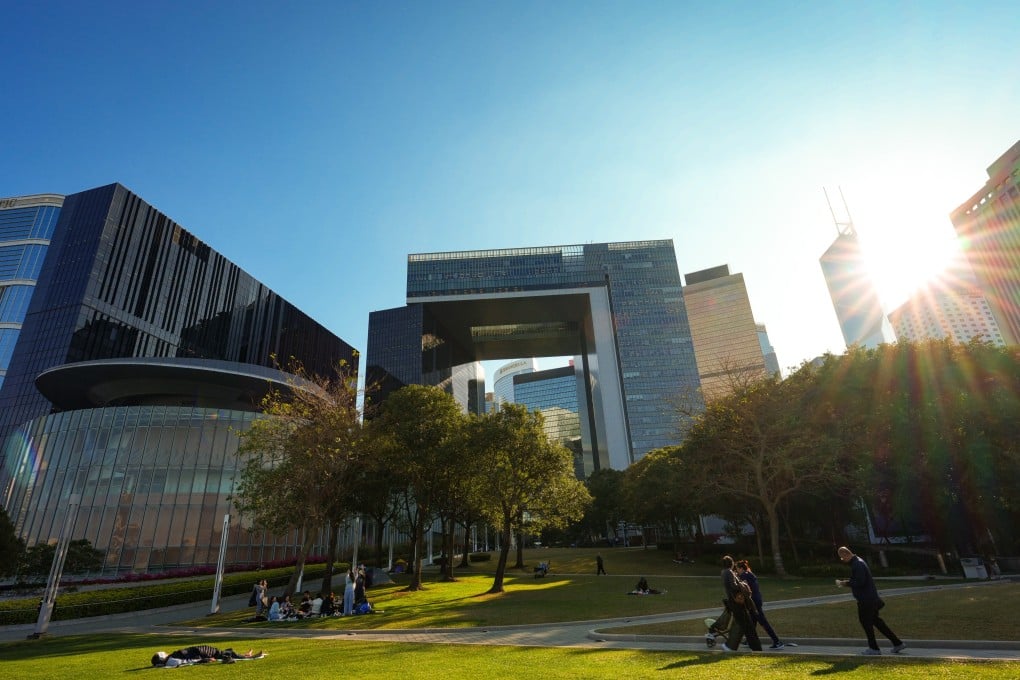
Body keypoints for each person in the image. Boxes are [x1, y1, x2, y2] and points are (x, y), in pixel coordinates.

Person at [836, 546, 906, 655]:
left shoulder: (857, 564)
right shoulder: (859, 561)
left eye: (842, 558)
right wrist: (849, 581)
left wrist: (846, 583)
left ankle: (874, 648)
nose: (843, 560)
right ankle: (897, 643)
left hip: (865, 599)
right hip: (871, 598)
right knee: (877, 622)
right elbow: (860, 579)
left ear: (845, 554)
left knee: (866, 623)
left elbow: (860, 582)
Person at [736, 559, 784, 649]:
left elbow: (743, 588)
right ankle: (749, 640)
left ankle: (777, 642)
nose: (737, 571)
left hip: (754, 602)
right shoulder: (750, 574)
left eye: (737, 569)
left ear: (741, 568)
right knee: (752, 622)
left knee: (763, 622)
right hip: (756, 600)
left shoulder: (744, 575)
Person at [719, 555, 761, 652]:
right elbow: (733, 586)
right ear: (731, 563)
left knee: (744, 625)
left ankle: (753, 647)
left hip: (734, 602)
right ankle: (754, 647)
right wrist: (743, 584)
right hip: (737, 602)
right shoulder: (729, 572)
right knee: (747, 625)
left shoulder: (724, 572)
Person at [151, 646, 261, 667]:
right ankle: (247, 657)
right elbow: (187, 661)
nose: (164, 653)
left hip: (198, 650)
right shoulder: (170, 661)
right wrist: (204, 660)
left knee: (220, 652)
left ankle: (245, 656)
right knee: (220, 653)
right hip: (199, 653)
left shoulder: (170, 658)